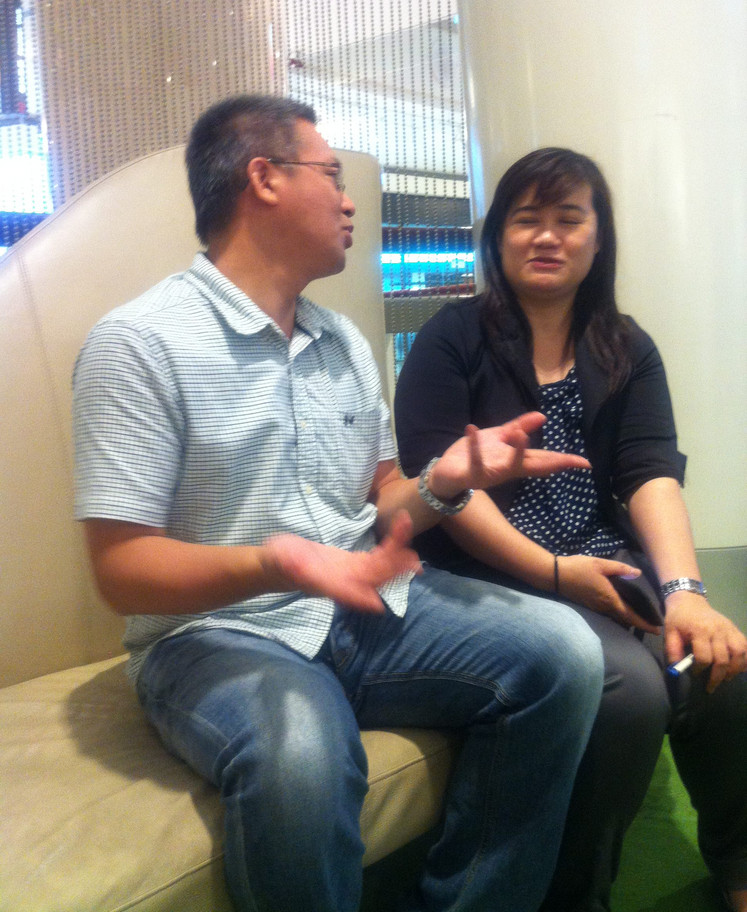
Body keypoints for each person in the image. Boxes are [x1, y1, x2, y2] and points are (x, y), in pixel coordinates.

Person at [72, 97, 605, 912]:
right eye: (331, 175)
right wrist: (276, 562)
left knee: (563, 653)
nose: (350, 202)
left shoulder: (342, 342)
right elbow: (121, 571)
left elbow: (383, 502)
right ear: (264, 179)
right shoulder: (139, 342)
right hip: (215, 636)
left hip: (363, 609)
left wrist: (445, 482)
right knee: (300, 754)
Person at [394, 146, 747, 912]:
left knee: (719, 666)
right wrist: (554, 575)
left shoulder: (624, 346)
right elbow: (440, 487)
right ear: (497, 236)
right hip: (486, 577)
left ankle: (738, 869)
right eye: (526, 219)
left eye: (568, 218)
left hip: (600, 559)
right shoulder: (450, 338)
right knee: (626, 695)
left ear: (597, 237)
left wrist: (684, 591)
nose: (547, 236)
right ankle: (573, 897)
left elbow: (649, 470)